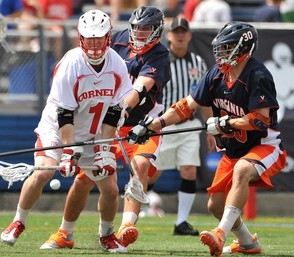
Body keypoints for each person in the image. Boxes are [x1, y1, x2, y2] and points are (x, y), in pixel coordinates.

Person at [127, 21, 287, 256]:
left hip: (263, 144)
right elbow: (187, 106)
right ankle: (247, 243)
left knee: (242, 170)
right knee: (215, 205)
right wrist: (156, 124)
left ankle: (220, 234)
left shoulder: (258, 74)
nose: (222, 53)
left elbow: (261, 119)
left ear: (243, 48)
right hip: (233, 149)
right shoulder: (216, 74)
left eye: (228, 47)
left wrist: (227, 123)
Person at [1, 9, 134, 253]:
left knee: (111, 188)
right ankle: (18, 221)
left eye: (99, 38)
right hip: (58, 129)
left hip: (94, 133)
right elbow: (65, 114)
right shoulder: (71, 63)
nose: (94, 44)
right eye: (89, 38)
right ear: (81, 38)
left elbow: (115, 110)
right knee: (42, 173)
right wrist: (68, 152)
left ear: (108, 37)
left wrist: (104, 149)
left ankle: (106, 235)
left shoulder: (117, 63)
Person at [38, 5, 170, 250]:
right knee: (84, 180)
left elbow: (140, 88)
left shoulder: (160, 54)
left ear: (158, 30)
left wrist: (121, 111)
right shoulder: (115, 38)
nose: (140, 34)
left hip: (140, 125)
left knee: (140, 165)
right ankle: (64, 233)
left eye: (147, 29)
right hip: (106, 123)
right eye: (137, 28)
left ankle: (125, 227)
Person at [145, 17, 215, 236]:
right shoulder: (161, 60)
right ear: (168, 35)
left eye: (183, 31)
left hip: (190, 125)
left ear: (189, 35)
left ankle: (181, 222)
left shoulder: (198, 62)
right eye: (176, 31)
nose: (180, 35)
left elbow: (204, 98)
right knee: (152, 173)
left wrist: (209, 126)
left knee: (189, 169)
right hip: (163, 124)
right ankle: (134, 208)